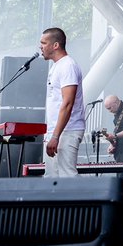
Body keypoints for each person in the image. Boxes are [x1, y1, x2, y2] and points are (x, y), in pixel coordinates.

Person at [39, 27, 85, 178]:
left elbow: (67, 103)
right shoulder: (56, 66)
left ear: (55, 45)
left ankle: (81, 203)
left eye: (44, 43)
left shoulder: (68, 65)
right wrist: (52, 134)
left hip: (68, 131)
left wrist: (56, 136)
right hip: (56, 131)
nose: (40, 47)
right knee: (51, 178)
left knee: (68, 176)